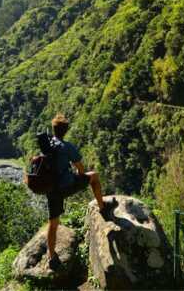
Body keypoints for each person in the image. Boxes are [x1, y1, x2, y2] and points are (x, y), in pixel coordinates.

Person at [46, 113, 112, 268]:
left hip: (51, 189)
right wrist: (76, 175)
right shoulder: (67, 147)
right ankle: (102, 208)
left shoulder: (48, 145)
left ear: (54, 130)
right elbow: (81, 171)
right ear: (66, 131)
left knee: (53, 223)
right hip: (66, 186)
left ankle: (51, 256)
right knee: (94, 176)